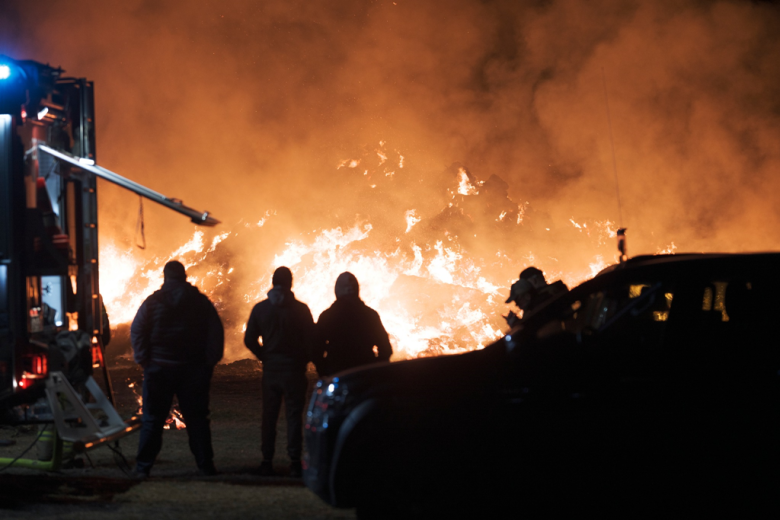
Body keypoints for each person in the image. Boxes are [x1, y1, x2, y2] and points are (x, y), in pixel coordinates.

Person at [130, 260, 224, 478]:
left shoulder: (152, 303)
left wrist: (145, 360)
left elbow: (137, 330)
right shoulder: (201, 303)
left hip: (159, 371)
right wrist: (209, 363)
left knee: (152, 419)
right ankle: (206, 467)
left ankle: (143, 468)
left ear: (165, 277)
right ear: (184, 277)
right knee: (197, 419)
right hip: (193, 371)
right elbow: (215, 333)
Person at [244, 266, 313, 478]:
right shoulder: (301, 310)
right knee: (294, 416)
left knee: (269, 417)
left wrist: (265, 356)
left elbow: (249, 339)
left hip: (272, 371)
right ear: (291, 283)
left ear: (273, 282)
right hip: (294, 371)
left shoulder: (261, 309)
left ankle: (267, 462)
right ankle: (294, 463)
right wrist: (302, 359)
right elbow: (313, 340)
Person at [313, 272, 392, 377]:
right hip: (365, 374)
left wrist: (324, 371)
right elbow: (385, 348)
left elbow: (316, 349)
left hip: (337, 374)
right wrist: (375, 368)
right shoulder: (370, 315)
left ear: (337, 290)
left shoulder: (327, 316)